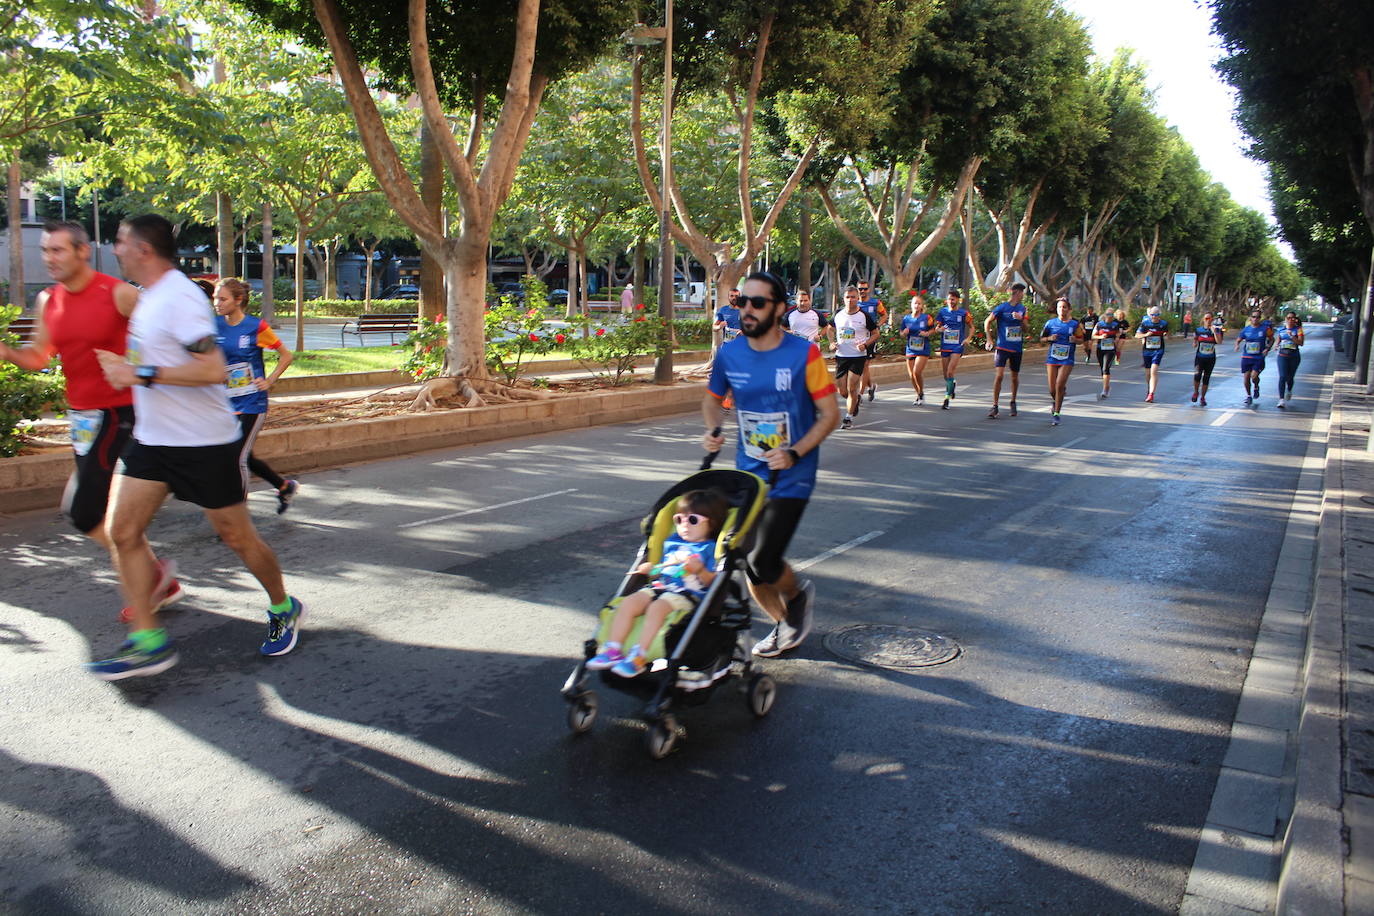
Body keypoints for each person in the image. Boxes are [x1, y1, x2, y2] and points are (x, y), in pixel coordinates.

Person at [88, 214, 304, 679]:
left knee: (236, 537)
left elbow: (212, 370)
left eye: (121, 242)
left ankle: (284, 605)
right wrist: (126, 367)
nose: (116, 247)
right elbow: (159, 359)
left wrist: (139, 374)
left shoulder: (181, 298)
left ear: (143, 249)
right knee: (122, 532)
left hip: (204, 442)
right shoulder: (148, 301)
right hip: (152, 440)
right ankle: (148, 642)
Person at [0, 221, 182, 620]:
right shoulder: (49, 300)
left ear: (82, 251)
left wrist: (159, 373)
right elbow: (38, 356)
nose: (49, 258)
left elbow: (167, 336)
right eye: (46, 250)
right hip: (82, 419)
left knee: (83, 511)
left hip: (121, 413)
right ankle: (156, 578)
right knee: (88, 511)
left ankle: (148, 589)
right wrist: (6, 352)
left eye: (57, 250)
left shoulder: (118, 293)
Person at [704, 270, 840, 657]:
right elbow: (712, 399)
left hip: (792, 474)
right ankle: (783, 622)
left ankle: (796, 597)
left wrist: (795, 451)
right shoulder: (730, 353)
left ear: (779, 309)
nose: (746, 309)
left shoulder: (805, 354)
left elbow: (829, 414)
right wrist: (713, 427)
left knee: (763, 558)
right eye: (741, 301)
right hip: (749, 473)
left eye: (757, 302)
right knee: (741, 556)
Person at [586, 489, 726, 677]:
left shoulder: (709, 549)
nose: (684, 525)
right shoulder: (671, 542)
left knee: (657, 608)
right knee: (628, 603)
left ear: (712, 523)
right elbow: (662, 569)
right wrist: (649, 569)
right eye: (679, 519)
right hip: (658, 587)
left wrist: (700, 570)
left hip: (684, 595)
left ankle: (639, 657)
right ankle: (613, 650)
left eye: (693, 520)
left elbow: (714, 583)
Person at [213, 277, 299, 513]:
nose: (217, 303)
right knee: (244, 455)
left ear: (238, 300)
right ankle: (284, 486)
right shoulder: (215, 325)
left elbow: (286, 355)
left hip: (252, 401)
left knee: (236, 458)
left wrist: (269, 380)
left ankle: (237, 514)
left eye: (222, 299)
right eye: (215, 298)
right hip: (225, 401)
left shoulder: (255, 327)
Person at [831, 285, 879, 429]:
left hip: (858, 356)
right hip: (841, 355)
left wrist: (865, 344)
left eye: (853, 297)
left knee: (852, 387)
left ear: (858, 299)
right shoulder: (838, 314)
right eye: (847, 297)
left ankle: (848, 417)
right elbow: (829, 329)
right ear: (843, 299)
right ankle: (856, 399)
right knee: (842, 391)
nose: (850, 300)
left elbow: (876, 333)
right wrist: (832, 342)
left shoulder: (864, 316)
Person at [984, 283, 1029, 418]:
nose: (1022, 295)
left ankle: (1013, 402)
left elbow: (1027, 329)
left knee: (1014, 376)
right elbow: (987, 321)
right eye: (1021, 293)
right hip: (1002, 346)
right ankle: (995, 405)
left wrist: (1021, 320)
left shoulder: (1022, 309)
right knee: (999, 375)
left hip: (1016, 348)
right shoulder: (1002, 308)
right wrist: (989, 339)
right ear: (1016, 293)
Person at [1040, 297, 1082, 426]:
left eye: (1064, 307)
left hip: (1067, 359)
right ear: (1056, 309)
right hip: (1052, 358)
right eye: (1059, 307)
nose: (1062, 309)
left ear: (1069, 309)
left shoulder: (1074, 324)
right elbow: (1041, 339)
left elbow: (1082, 340)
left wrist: (1075, 339)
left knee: (1059, 385)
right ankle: (1057, 399)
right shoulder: (1050, 323)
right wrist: (1049, 338)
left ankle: (1057, 413)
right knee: (1052, 389)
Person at [935, 288, 973, 410]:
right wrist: (939, 329)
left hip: (957, 346)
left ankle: (946, 398)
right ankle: (952, 384)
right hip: (945, 346)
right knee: (946, 374)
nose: (951, 301)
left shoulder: (963, 313)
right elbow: (937, 327)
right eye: (949, 299)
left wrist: (968, 338)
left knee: (950, 371)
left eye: (953, 299)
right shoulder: (942, 312)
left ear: (958, 300)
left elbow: (972, 327)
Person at [899, 293, 934, 405]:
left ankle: (921, 392)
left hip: (923, 348)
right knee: (911, 375)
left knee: (916, 372)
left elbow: (933, 329)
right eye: (915, 303)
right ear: (911, 305)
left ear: (922, 306)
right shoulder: (906, 318)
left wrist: (927, 333)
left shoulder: (927, 318)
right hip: (911, 348)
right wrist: (904, 333)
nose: (917, 305)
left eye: (919, 303)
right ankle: (919, 394)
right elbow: (901, 333)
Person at [1234, 309, 1273, 407]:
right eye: (1254, 316)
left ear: (1260, 318)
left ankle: (1256, 386)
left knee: (1254, 376)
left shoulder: (1265, 329)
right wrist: (1237, 345)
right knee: (1246, 378)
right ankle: (1248, 395)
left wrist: (1267, 348)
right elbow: (1239, 339)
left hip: (1258, 357)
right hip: (1247, 356)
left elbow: (1272, 339)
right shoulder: (1246, 329)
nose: (1255, 319)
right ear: (1250, 318)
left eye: (1258, 317)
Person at [855, 280, 887, 401]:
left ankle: (860, 394)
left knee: (865, 365)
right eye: (860, 289)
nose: (862, 291)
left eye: (864, 289)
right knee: (862, 366)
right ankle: (871, 386)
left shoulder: (875, 303)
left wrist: (878, 325)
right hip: (857, 338)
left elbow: (884, 315)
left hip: (870, 338)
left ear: (868, 290)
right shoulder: (854, 303)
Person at [1135, 305, 1170, 402]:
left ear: (1159, 315)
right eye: (1152, 315)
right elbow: (1137, 335)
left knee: (1153, 370)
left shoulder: (1163, 324)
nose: (1154, 317)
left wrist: (1165, 334)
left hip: (1158, 350)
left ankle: (1151, 394)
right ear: (1150, 315)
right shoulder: (1145, 324)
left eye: (1156, 315)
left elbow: (1167, 332)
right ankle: (1149, 389)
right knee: (1147, 373)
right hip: (1147, 350)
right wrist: (1146, 335)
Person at [1190, 311, 1221, 407]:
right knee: (1197, 375)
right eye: (1206, 318)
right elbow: (1195, 338)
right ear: (1203, 320)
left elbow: (1219, 341)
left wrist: (1214, 332)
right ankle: (1196, 392)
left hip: (1210, 358)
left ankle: (1203, 397)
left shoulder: (1216, 330)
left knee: (1206, 378)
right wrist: (1194, 343)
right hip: (1200, 357)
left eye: (1210, 319)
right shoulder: (1199, 330)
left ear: (1212, 320)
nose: (1208, 320)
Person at [1275, 311, 1304, 408]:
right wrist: (1276, 345)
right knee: (1282, 376)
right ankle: (1281, 399)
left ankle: (1289, 390)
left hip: (1294, 356)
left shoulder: (1298, 330)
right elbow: (1279, 339)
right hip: (1282, 356)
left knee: (1290, 377)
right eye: (1288, 318)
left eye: (1292, 318)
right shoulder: (1281, 329)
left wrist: (1292, 336)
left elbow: (1301, 343)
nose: (1290, 320)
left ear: (1295, 320)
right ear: (1285, 319)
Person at [1092, 308, 1122, 399]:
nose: (1109, 317)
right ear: (1105, 315)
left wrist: (1116, 341)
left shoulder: (1115, 325)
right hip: (1100, 348)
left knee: (1106, 368)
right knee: (1102, 369)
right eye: (1108, 314)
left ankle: (1105, 390)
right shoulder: (1099, 324)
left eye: (1111, 315)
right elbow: (1093, 335)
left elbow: (1118, 335)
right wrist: (1101, 336)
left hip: (1110, 349)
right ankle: (1107, 385)